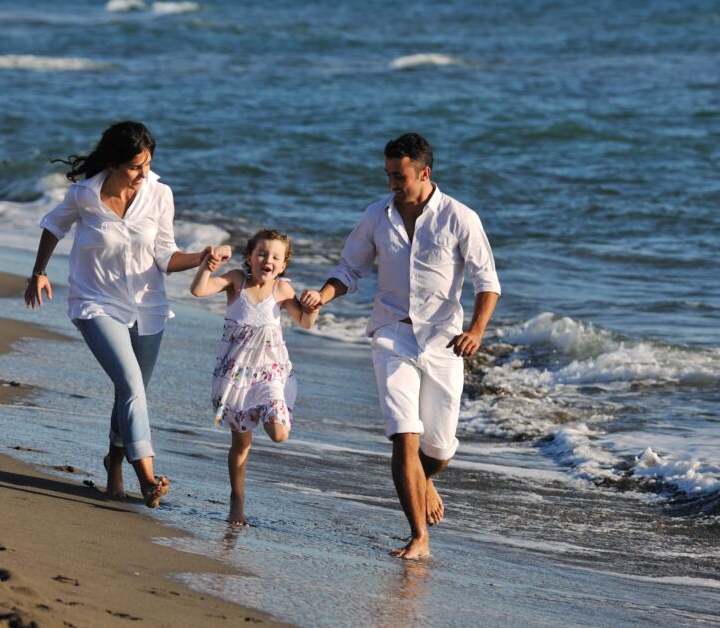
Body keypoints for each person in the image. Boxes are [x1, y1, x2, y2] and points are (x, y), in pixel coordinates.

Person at [300, 133, 500, 559]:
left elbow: (487, 283)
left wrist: (477, 331)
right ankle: (418, 537)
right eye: (388, 174)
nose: (392, 183)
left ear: (424, 173)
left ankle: (424, 479)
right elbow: (349, 268)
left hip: (444, 341)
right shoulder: (377, 216)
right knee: (404, 436)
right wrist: (324, 294)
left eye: (400, 175)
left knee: (440, 452)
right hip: (392, 333)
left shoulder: (460, 217)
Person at [24, 120, 227, 508]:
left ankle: (113, 463)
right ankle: (147, 477)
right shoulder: (85, 194)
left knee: (131, 391)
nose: (142, 173)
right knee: (132, 385)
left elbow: (166, 256)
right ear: (114, 163)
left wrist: (201, 257)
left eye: (148, 164)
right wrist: (39, 272)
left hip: (148, 308)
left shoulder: (159, 194)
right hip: (95, 303)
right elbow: (53, 225)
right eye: (135, 166)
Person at [190, 229, 318, 524]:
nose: (267, 260)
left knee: (279, 434)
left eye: (275, 256)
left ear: (283, 264)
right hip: (236, 376)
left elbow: (306, 322)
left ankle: (269, 413)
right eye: (261, 253)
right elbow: (199, 290)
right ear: (250, 257)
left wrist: (314, 305)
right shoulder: (237, 280)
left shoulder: (283, 289)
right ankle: (237, 498)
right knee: (241, 444)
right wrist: (206, 267)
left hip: (271, 373)